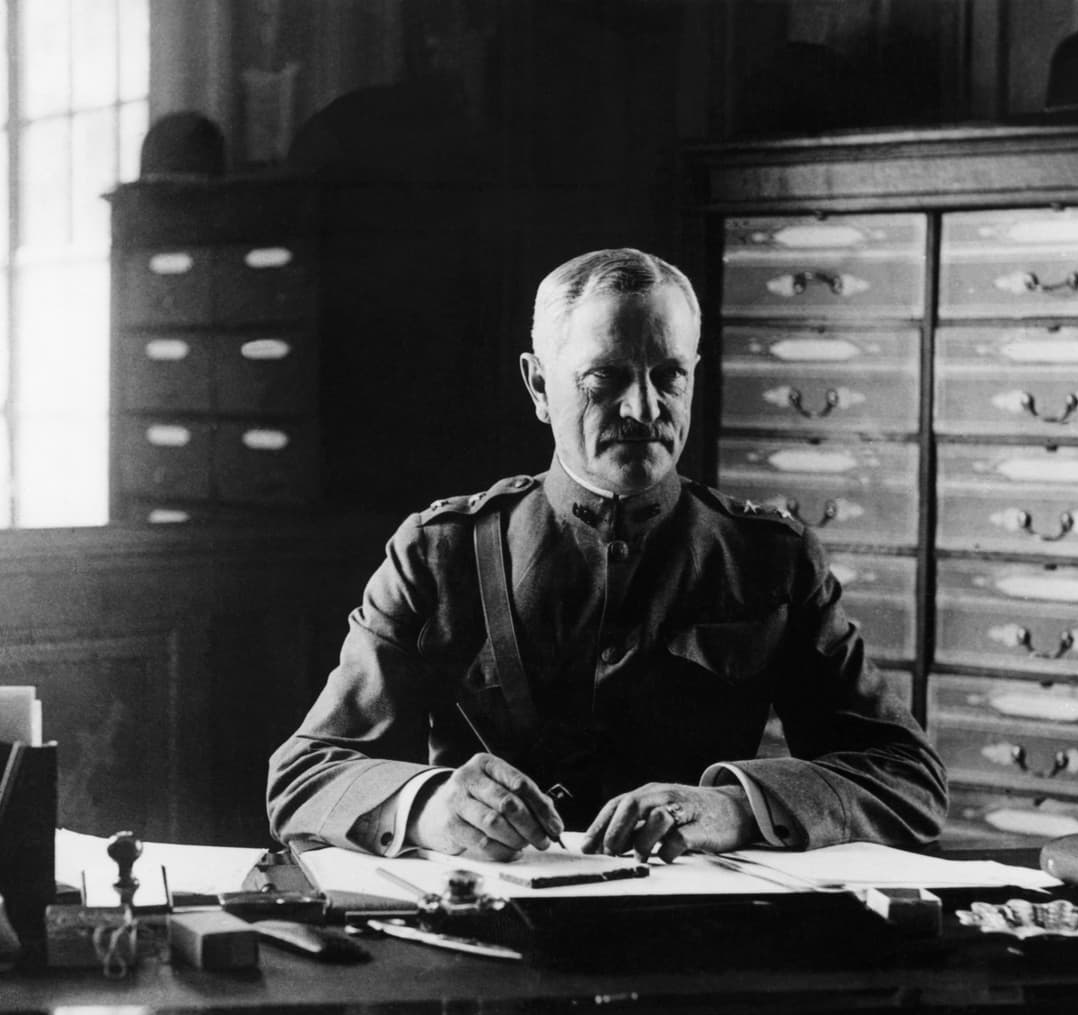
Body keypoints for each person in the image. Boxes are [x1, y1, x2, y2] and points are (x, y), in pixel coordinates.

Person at [267, 248, 947, 864]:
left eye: (669, 375)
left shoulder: (768, 558)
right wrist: (429, 807)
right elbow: (303, 775)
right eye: (606, 378)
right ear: (539, 387)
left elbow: (908, 777)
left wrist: (734, 808)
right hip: (491, 929)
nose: (643, 409)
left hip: (692, 931)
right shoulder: (439, 552)